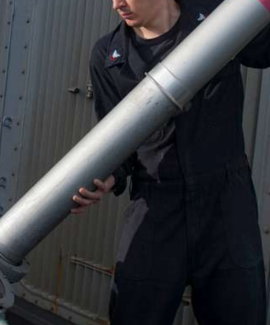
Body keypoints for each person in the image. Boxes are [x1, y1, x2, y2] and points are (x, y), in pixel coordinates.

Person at [72, 0, 270, 324]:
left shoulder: (219, 20)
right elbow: (115, 145)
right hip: (156, 206)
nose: (116, 4)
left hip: (227, 205)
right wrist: (109, 176)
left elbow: (263, 50)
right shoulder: (109, 57)